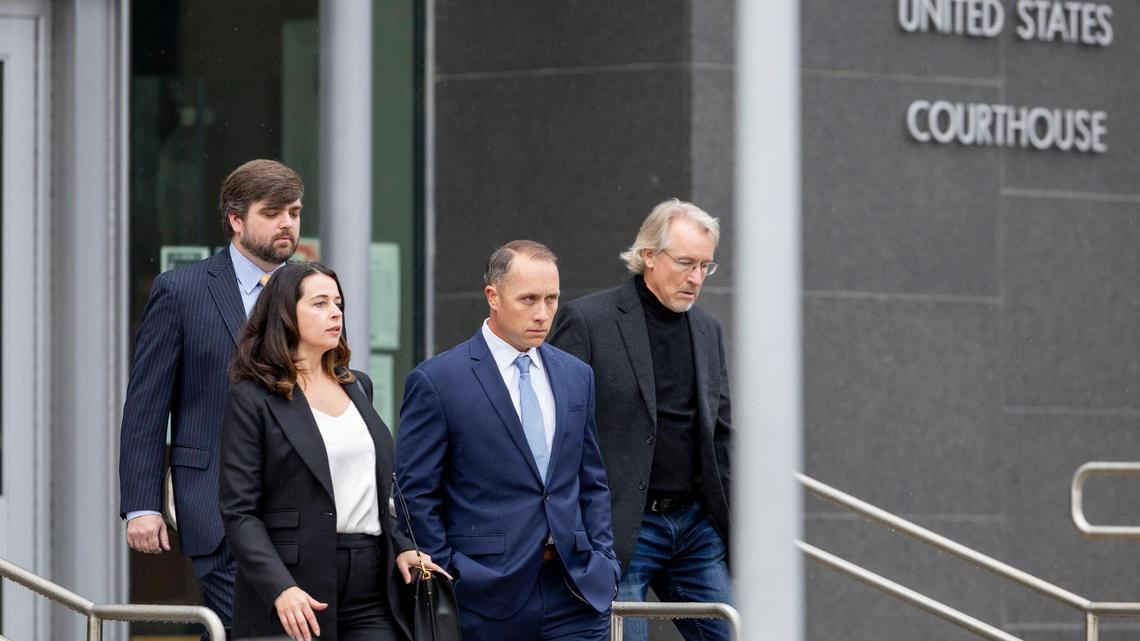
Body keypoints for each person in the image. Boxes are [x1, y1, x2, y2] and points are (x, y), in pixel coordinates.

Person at [394, 240, 620, 641]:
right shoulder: (439, 380)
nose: (543, 313)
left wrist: (603, 558)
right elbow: (417, 493)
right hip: (484, 597)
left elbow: (591, 478)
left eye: (551, 299)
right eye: (528, 299)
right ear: (492, 296)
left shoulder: (575, 374)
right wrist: (451, 574)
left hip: (576, 592)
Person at [118, 159, 304, 634]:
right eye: (273, 212)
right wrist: (143, 505)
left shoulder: (309, 291)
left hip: (299, 508)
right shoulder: (181, 290)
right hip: (215, 504)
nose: (288, 223)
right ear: (236, 220)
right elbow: (146, 405)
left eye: (295, 211)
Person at [219, 262, 445, 641]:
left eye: (338, 303)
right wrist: (279, 587)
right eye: (320, 303)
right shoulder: (253, 397)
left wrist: (403, 548)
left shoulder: (358, 386)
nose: (336, 312)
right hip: (296, 582)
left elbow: (371, 492)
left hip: (371, 578)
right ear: (286, 315)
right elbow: (239, 511)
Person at [548, 199, 733, 641]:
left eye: (706, 266)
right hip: (620, 528)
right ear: (649, 256)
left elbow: (720, 432)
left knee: (734, 633)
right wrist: (569, 529)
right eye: (686, 263)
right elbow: (557, 430)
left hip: (695, 529)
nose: (695, 279)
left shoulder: (706, 331)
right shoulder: (589, 321)